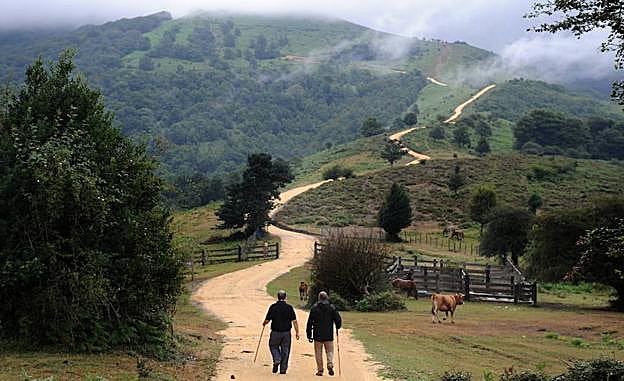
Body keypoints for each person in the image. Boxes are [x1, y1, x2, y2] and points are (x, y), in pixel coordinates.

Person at [263, 290, 300, 374]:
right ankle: (283, 370)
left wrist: (264, 323)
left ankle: (277, 359)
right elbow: (294, 321)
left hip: (275, 332)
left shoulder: (273, 307)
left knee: (273, 346)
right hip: (286, 333)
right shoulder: (289, 307)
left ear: (278, 297)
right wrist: (297, 332)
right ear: (285, 297)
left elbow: (267, 319)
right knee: (285, 350)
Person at [306, 291, 342, 376]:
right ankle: (329, 363)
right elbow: (338, 319)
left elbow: (310, 322)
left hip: (317, 334)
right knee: (329, 351)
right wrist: (338, 326)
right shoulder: (331, 307)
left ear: (319, 298)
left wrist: (309, 334)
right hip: (328, 334)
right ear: (327, 298)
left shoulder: (314, 308)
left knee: (318, 352)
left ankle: (320, 370)